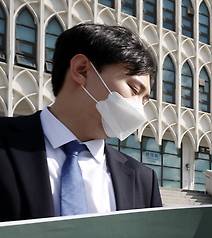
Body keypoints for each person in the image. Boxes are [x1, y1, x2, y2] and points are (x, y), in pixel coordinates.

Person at [0, 24, 161, 222]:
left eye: (145, 100)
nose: (139, 109)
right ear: (82, 70)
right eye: (134, 89)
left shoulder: (142, 179)